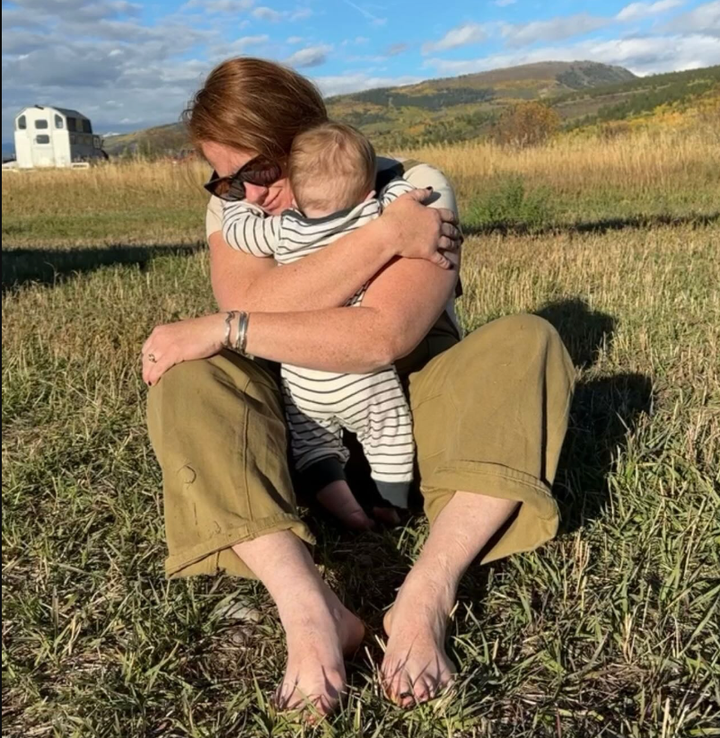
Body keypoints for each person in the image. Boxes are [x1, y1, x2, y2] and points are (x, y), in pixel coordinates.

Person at [143, 57, 575, 715]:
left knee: (528, 341)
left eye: (258, 170)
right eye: (223, 180)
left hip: (413, 420)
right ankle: (310, 610)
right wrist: (382, 242)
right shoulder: (245, 208)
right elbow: (250, 295)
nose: (245, 195)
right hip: (298, 429)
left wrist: (230, 325)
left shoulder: (413, 187)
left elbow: (383, 335)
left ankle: (425, 597)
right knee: (189, 375)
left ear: (307, 137)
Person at [221, 121, 418, 530]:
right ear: (367, 193)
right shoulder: (371, 215)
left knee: (314, 444)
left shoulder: (284, 227)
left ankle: (343, 506)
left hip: (303, 372)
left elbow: (240, 233)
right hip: (361, 375)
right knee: (389, 437)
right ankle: (390, 503)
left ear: (295, 190)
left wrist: (234, 203)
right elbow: (405, 200)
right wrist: (397, 189)